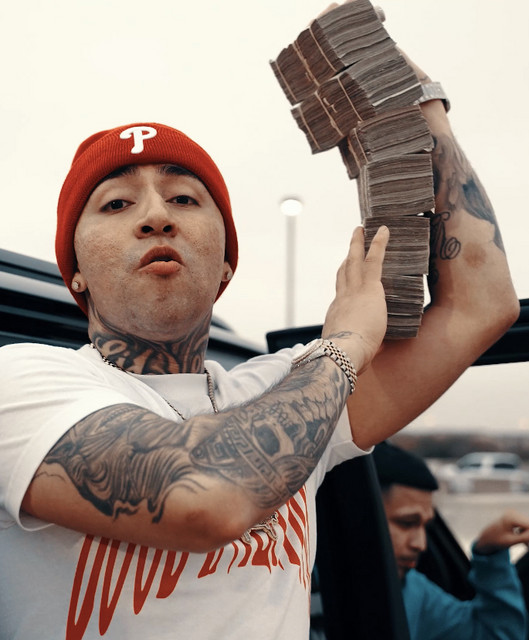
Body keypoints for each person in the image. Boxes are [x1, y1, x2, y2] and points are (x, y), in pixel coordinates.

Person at [0, 20, 520, 640]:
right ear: (76, 273)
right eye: (117, 204)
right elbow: (204, 499)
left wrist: (419, 102)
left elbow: (481, 306)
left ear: (226, 265)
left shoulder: (285, 389)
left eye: (184, 199)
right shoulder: (21, 382)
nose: (156, 215)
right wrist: (345, 346)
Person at [372, 441, 529, 639]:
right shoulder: (328, 588)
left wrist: (490, 554)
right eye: (406, 523)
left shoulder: (412, 590)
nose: (420, 544)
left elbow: (492, 635)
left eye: (426, 527)